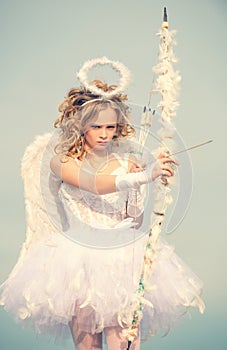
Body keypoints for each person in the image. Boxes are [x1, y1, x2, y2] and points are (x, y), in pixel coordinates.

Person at [0, 59, 205, 350]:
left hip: (124, 256)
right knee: (88, 346)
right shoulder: (62, 160)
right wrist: (144, 175)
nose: (105, 133)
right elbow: (93, 182)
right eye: (97, 126)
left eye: (111, 126)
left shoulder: (124, 159)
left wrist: (139, 187)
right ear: (80, 125)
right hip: (77, 261)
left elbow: (134, 217)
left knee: (125, 344)